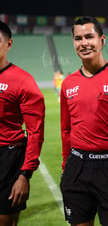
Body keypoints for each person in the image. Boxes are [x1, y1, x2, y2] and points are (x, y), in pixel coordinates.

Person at [60, 16, 108, 226]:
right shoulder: (68, 83)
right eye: (78, 38)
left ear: (102, 40)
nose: (84, 43)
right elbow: (66, 130)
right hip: (77, 167)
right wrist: (67, 166)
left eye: (89, 37)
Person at [0, 20, 45, 225]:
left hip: (8, 159)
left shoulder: (23, 81)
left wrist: (24, 174)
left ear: (9, 44)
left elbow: (35, 132)